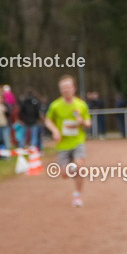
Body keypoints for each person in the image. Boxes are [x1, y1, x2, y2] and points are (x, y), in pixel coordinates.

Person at [44, 75, 91, 208]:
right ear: (60, 90)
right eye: (63, 88)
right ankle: (72, 168)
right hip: (63, 144)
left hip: (77, 141)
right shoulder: (55, 105)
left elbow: (88, 123)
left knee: (80, 168)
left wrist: (82, 121)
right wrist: (55, 131)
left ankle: (77, 195)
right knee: (64, 174)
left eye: (68, 87)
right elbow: (48, 120)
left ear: (74, 88)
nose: (66, 90)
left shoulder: (81, 105)